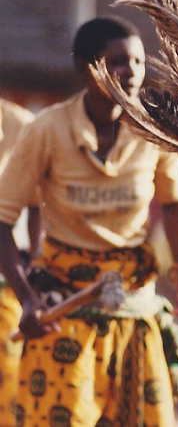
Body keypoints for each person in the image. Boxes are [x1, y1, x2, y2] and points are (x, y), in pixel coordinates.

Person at [0, 16, 178, 427]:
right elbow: (3, 221)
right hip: (62, 313)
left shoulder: (155, 130)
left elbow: (174, 203)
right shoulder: (45, 130)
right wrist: (28, 299)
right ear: (88, 68)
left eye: (139, 62)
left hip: (133, 305)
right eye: (119, 61)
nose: (133, 73)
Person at [0, 98, 42, 427]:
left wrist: (33, 271)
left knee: (8, 388)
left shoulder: (24, 126)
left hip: (7, 284)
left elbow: (36, 203)